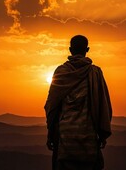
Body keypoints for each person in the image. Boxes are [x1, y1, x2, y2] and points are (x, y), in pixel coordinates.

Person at [44, 35, 112, 170]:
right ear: (87, 49)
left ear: (70, 50)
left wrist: (51, 133)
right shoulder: (95, 73)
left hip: (64, 138)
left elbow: (52, 106)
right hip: (89, 138)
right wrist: (103, 134)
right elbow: (103, 106)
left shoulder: (61, 72)